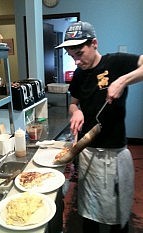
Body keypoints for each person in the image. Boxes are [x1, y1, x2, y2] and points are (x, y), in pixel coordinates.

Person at [56, 21, 143, 233]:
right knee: (89, 207)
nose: (76, 61)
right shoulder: (79, 73)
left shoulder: (116, 62)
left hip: (114, 151)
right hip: (87, 150)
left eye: (79, 53)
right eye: (71, 56)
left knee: (115, 208)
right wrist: (76, 111)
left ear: (94, 43)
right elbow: (74, 103)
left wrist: (123, 80)